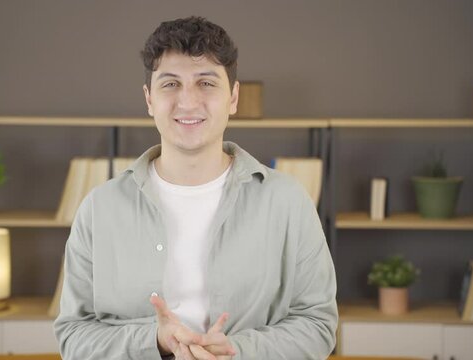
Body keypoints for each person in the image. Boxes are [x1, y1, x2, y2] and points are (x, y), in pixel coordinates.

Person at [54, 16, 338, 360]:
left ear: (233, 97)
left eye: (206, 83)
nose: (187, 102)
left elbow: (319, 325)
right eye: (170, 84)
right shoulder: (99, 208)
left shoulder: (288, 202)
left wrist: (239, 350)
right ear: (149, 99)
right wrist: (154, 341)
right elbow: (72, 335)